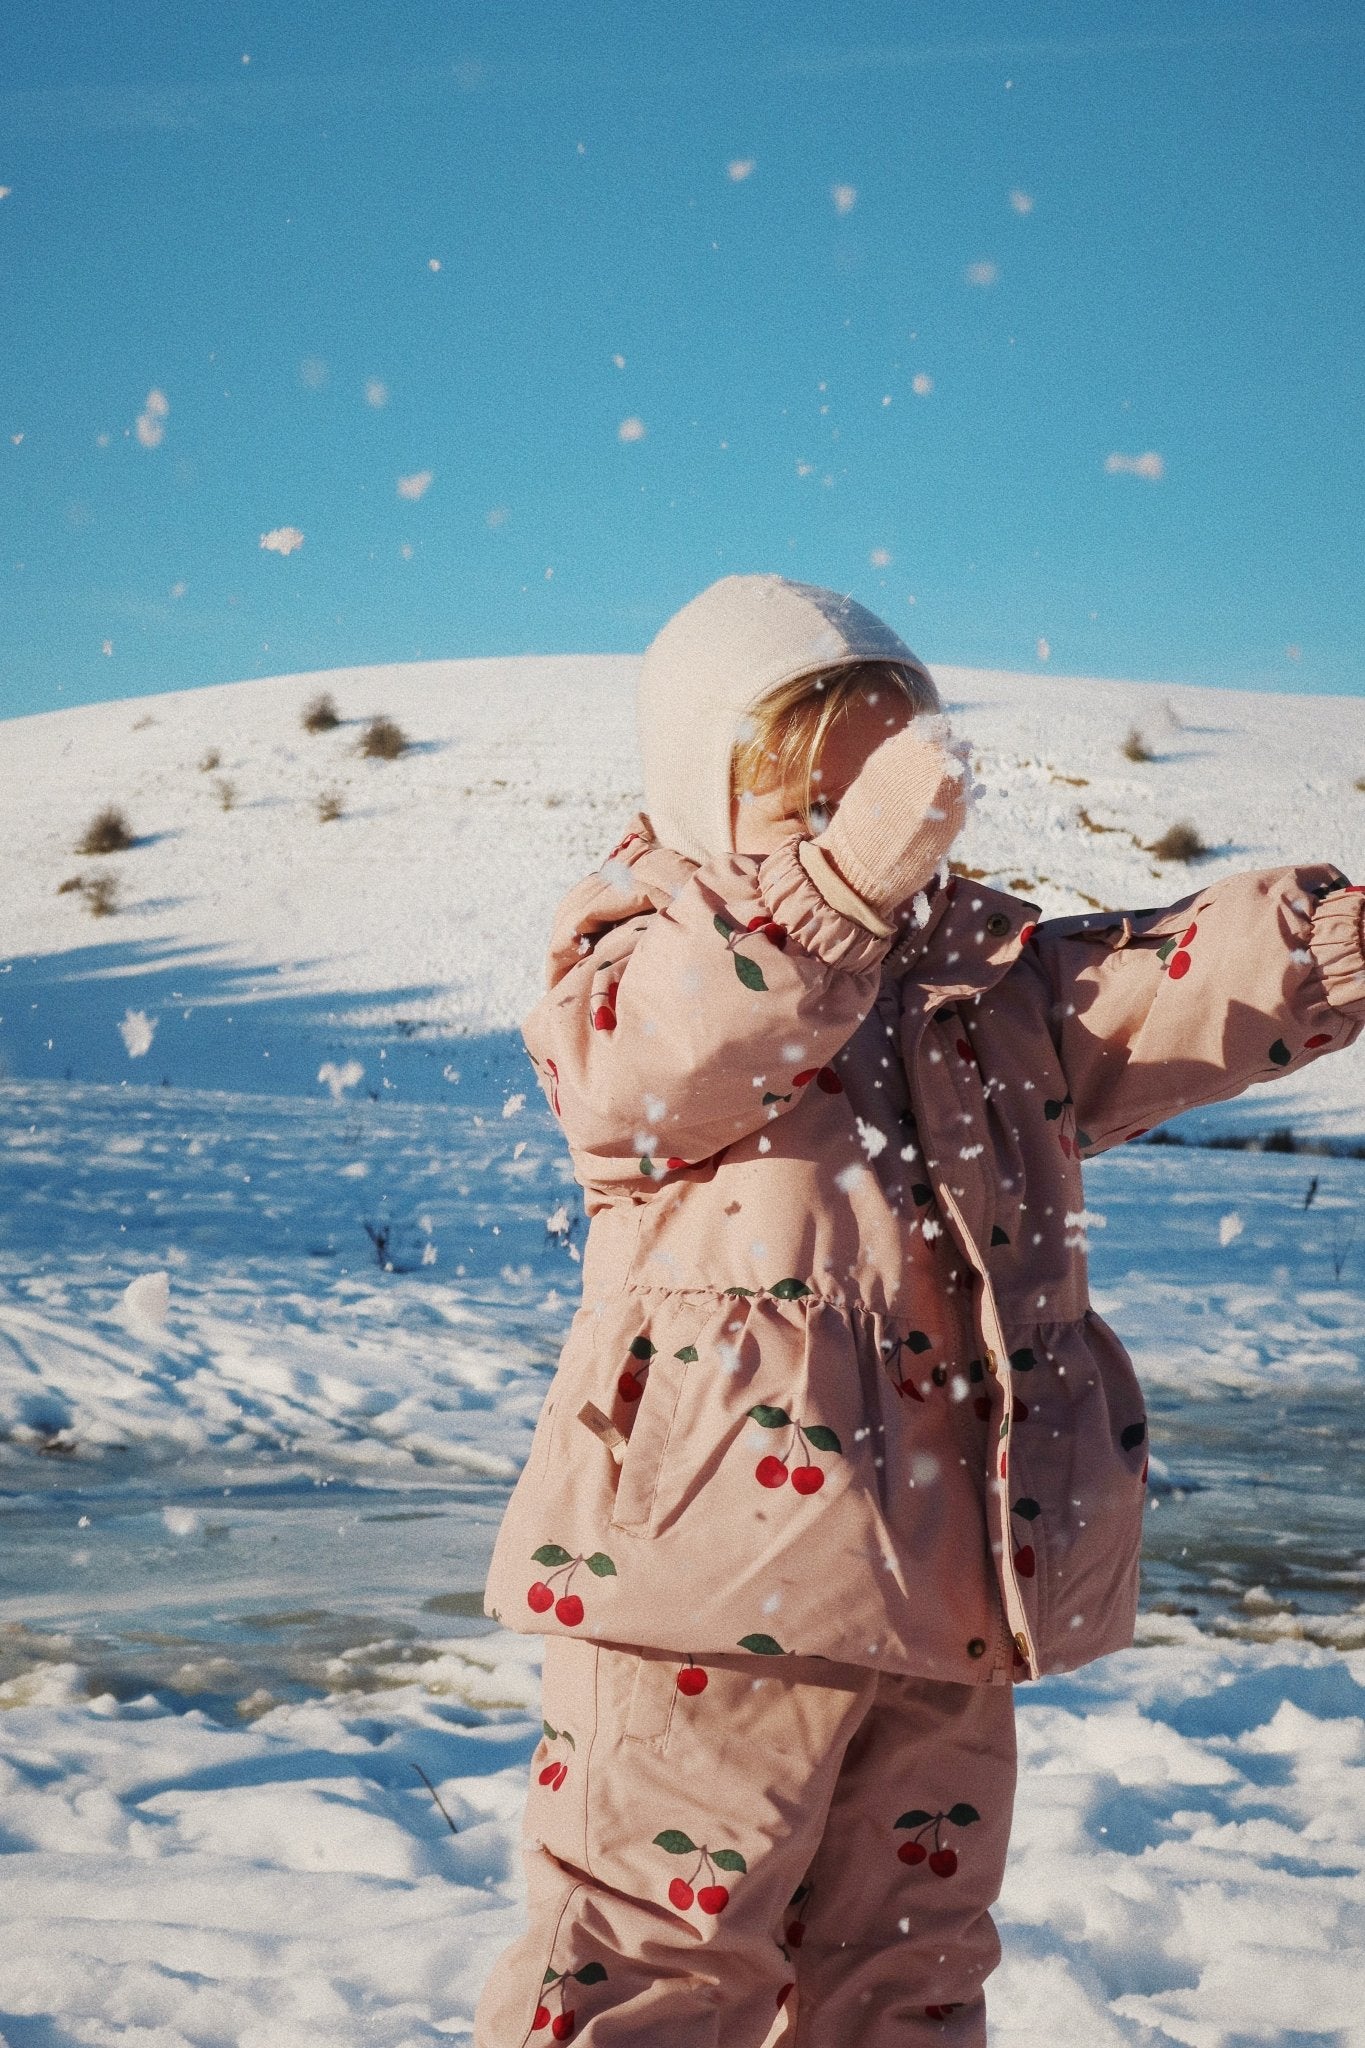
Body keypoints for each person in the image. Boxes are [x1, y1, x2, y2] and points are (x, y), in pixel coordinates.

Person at [474, 574, 1365, 2046]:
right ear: (702, 796)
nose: (869, 844)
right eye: (808, 806)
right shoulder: (639, 953)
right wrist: (829, 898)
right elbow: (659, 1068)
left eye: (892, 790)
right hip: (704, 1572)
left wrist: (1328, 942)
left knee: (911, 1969)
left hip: (950, 1577)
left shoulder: (986, 983)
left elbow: (1159, 986)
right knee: (648, 1956)